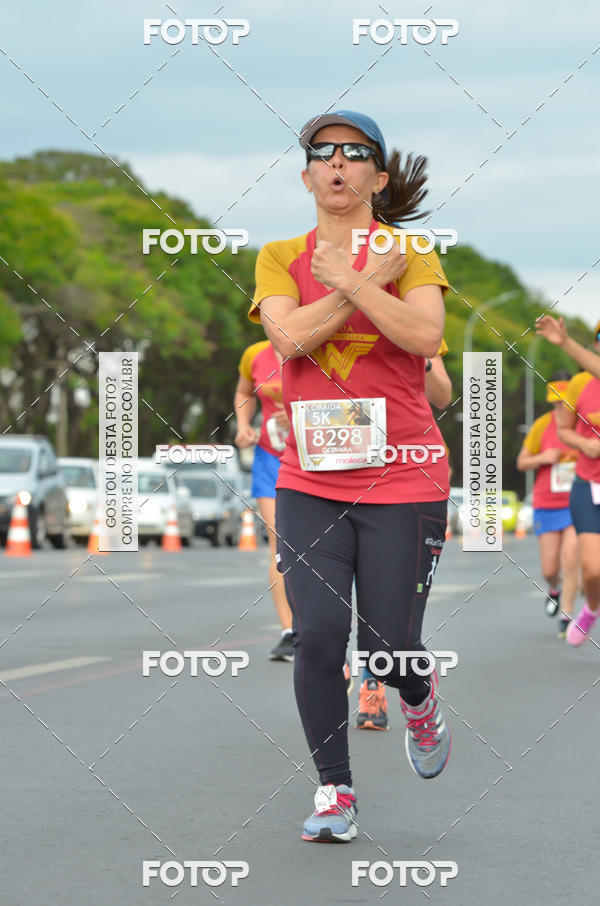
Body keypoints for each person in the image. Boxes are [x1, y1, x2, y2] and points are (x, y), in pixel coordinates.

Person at [248, 109, 451, 842]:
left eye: (355, 152)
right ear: (307, 177)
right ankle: (336, 792)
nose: (338, 163)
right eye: (323, 153)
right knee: (321, 634)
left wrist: (362, 281)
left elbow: (426, 337)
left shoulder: (413, 252)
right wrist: (359, 282)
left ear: (378, 175)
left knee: (389, 648)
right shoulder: (279, 255)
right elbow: (288, 336)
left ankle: (419, 701)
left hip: (406, 477)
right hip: (311, 479)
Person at [356, 341, 452, 730]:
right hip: (328, 470)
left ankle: (387, 685)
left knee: (380, 608)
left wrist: (416, 350)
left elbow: (442, 395)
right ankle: (371, 692)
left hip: (404, 473)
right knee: (325, 616)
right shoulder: (309, 309)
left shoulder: (414, 315)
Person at [536, 317, 600, 645]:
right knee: (590, 569)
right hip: (587, 486)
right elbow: (563, 431)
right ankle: (589, 609)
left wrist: (564, 343)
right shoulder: (579, 385)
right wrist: (584, 444)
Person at [234, 340, 294, 660]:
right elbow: (244, 393)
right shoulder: (254, 353)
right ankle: (289, 632)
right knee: (281, 543)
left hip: (315, 458)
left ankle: (322, 625)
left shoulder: (322, 346)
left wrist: (299, 414)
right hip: (270, 459)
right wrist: (244, 426)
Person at [516, 373, 579, 638]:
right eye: (555, 403)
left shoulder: (585, 425)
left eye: (565, 403)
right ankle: (554, 589)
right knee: (550, 568)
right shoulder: (542, 426)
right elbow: (521, 463)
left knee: (571, 559)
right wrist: (542, 457)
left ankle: (566, 616)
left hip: (577, 503)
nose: (560, 408)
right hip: (547, 504)